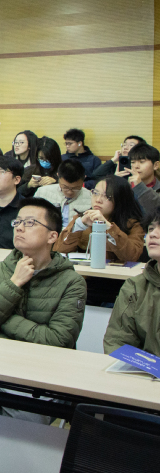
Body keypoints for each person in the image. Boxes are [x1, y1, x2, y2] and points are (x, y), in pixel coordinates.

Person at [0, 198, 87, 348]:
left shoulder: (72, 282)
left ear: (52, 236)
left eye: (30, 223)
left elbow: (59, 340)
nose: (19, 228)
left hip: (42, 359)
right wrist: (14, 283)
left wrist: (1, 319)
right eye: (17, 222)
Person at [103, 208, 160, 355]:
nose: (153, 234)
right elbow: (117, 342)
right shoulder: (135, 287)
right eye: (151, 229)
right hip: (145, 369)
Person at [55, 175, 145, 263]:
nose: (98, 200)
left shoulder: (133, 225)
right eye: (95, 193)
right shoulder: (82, 219)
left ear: (120, 200)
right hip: (84, 271)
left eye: (107, 196)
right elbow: (58, 252)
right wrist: (79, 226)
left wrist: (109, 227)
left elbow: (132, 257)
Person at [34, 159, 93, 227]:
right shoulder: (42, 193)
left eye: (76, 188)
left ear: (84, 179)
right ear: (58, 176)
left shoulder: (90, 197)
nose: (70, 192)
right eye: (65, 187)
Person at [128, 142, 160, 218]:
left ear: (155, 165)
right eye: (133, 162)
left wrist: (139, 186)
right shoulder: (126, 186)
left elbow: (156, 209)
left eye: (142, 162)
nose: (136, 166)